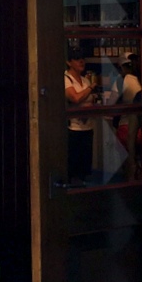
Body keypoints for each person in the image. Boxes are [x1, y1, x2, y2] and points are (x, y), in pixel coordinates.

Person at [64, 41, 95, 183]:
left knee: (84, 167)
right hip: (73, 129)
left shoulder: (85, 80)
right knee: (73, 166)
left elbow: (89, 100)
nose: (81, 61)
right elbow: (75, 98)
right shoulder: (66, 79)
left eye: (83, 58)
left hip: (87, 126)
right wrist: (91, 88)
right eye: (77, 58)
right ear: (69, 62)